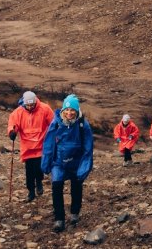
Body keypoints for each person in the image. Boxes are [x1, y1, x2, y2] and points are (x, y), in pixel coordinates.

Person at [42, 94, 94, 233]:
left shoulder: (83, 124)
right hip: (58, 162)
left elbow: (88, 148)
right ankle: (59, 218)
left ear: (77, 111)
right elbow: (48, 144)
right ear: (63, 110)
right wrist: (46, 162)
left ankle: (74, 213)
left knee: (76, 188)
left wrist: (84, 167)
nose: (69, 113)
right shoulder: (56, 122)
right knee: (56, 187)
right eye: (67, 109)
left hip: (76, 162)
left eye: (73, 110)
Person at [7, 90, 55, 201]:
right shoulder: (18, 112)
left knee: (39, 168)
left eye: (32, 105)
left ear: (35, 102)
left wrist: (54, 135)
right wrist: (12, 132)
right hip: (27, 147)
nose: (29, 107)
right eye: (27, 105)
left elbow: (53, 122)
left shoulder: (44, 108)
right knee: (29, 171)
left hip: (41, 145)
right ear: (24, 103)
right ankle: (31, 191)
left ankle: (39, 182)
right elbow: (13, 124)